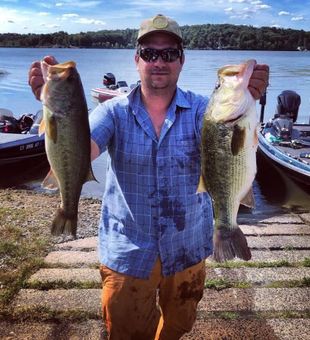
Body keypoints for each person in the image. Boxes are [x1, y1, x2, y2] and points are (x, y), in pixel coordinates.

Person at [28, 14, 269, 340]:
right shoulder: (113, 111)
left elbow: (233, 141)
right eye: (150, 52)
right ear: (136, 58)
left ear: (182, 60)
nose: (159, 61)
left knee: (177, 326)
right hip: (128, 251)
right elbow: (81, 151)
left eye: (169, 53)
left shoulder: (205, 111)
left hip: (187, 248)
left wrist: (250, 98)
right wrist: (58, 107)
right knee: (125, 331)